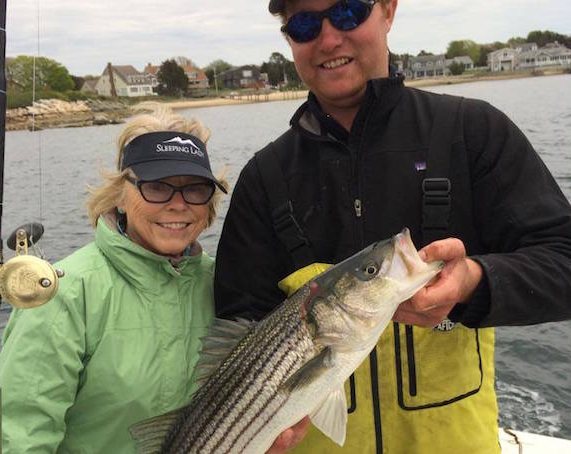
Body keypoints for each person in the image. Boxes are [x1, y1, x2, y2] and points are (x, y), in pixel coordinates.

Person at [214, 1, 571, 453]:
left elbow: (564, 259)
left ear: (387, 10)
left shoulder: (473, 132)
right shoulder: (264, 179)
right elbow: (232, 334)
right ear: (289, 39)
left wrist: (475, 282)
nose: (327, 39)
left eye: (347, 13)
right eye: (304, 24)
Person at [0, 109, 231, 453]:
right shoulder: (65, 296)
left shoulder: (222, 284)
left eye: (195, 189)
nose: (178, 205)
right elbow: (21, 436)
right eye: (156, 187)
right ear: (121, 195)